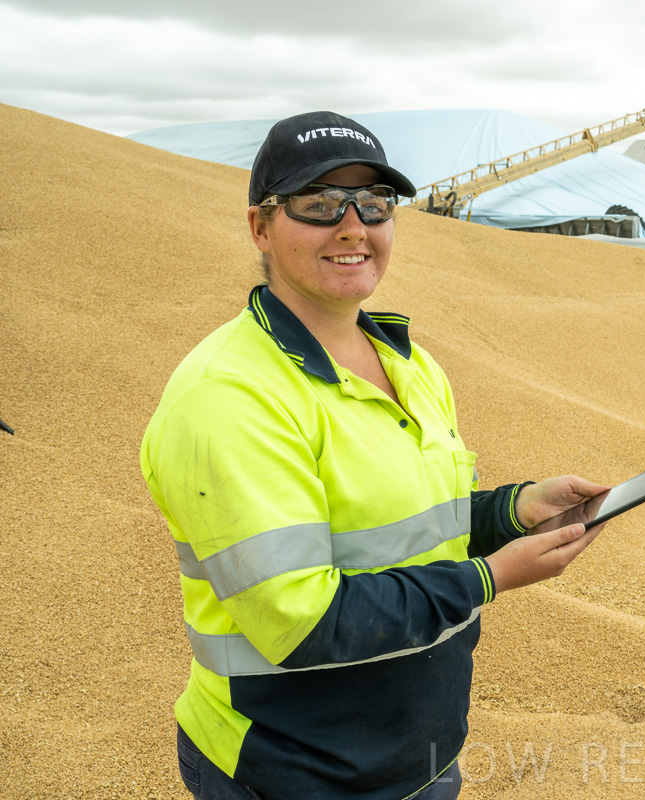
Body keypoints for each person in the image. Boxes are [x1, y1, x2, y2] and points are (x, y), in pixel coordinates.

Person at [140, 110, 609, 800]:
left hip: (419, 757)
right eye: (320, 203)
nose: (353, 225)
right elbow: (301, 621)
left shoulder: (409, 363)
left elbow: (417, 528)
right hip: (289, 770)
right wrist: (489, 578)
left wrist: (514, 511)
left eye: (375, 202)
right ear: (261, 227)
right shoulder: (229, 396)